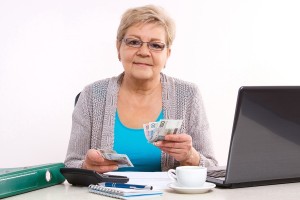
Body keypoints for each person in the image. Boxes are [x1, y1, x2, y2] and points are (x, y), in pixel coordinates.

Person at [64, 4, 217, 173]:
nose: (144, 52)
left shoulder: (188, 95)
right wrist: (85, 167)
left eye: (156, 45)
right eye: (134, 42)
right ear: (118, 48)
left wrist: (191, 157)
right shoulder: (92, 95)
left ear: (167, 54)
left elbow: (212, 168)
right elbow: (71, 164)